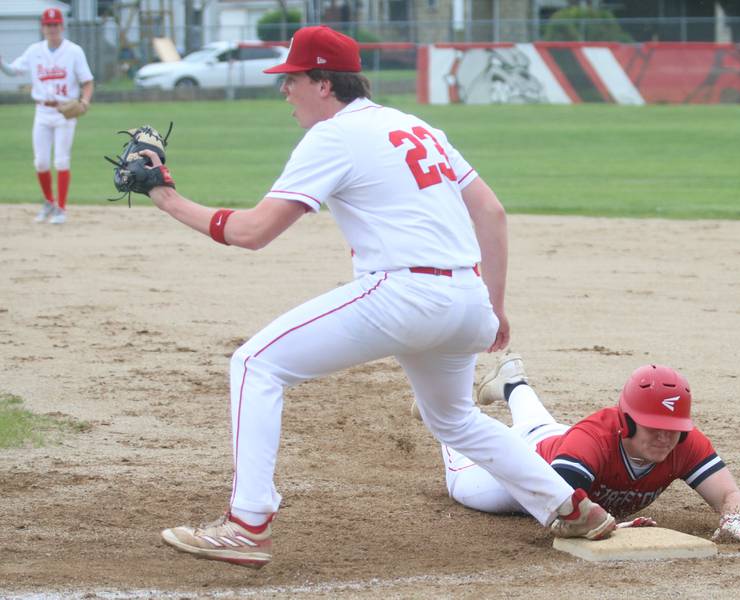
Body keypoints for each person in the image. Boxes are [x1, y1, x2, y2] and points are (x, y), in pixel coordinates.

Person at [140, 26, 616, 569]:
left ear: (323, 83)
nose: (284, 91)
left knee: (254, 364)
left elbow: (253, 232)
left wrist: (165, 196)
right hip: (466, 299)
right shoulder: (416, 125)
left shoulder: (334, 135)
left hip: (404, 294)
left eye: (292, 79)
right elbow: (491, 212)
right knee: (455, 420)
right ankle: (571, 507)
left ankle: (248, 524)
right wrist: (494, 306)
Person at [432, 354, 740, 543]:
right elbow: (560, 505)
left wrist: (736, 520)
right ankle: (439, 404)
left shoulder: (683, 442)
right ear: (627, 421)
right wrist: (603, 525)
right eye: (655, 427)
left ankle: (513, 384)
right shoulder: (593, 438)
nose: (665, 438)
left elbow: (730, 494)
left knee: (539, 425)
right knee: (460, 460)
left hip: (556, 439)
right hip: (519, 474)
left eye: (674, 429)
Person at [0, 8, 94, 225]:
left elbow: (87, 81)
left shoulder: (74, 51)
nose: (52, 29)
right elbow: (14, 71)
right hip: (42, 111)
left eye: (55, 25)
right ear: (43, 27)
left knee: (61, 160)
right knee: (41, 162)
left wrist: (85, 101)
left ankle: (61, 208)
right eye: (48, 25)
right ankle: (49, 202)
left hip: (65, 112)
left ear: (62, 27)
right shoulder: (34, 51)